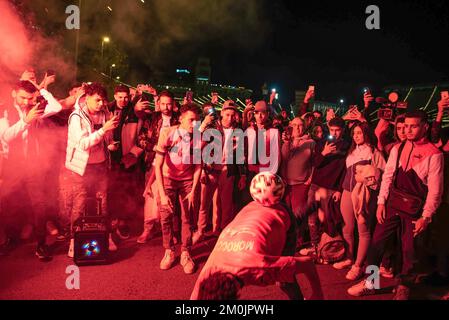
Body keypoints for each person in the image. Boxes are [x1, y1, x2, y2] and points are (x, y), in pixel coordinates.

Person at [348, 110, 444, 300]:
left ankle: (404, 287)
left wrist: (426, 216)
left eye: (413, 126)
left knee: (409, 251)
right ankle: (371, 283)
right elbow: (388, 177)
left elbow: (435, 191)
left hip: (414, 211)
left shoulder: (434, 154)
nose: (407, 130)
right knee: (376, 245)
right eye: (405, 126)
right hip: (392, 205)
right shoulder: (397, 149)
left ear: (425, 126)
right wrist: (382, 202)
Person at [190, 172, 323, 300]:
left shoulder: (260, 269)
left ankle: (315, 202)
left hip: (278, 215)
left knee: (284, 281)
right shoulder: (208, 273)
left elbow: (307, 263)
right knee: (294, 220)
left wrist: (318, 294)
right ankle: (314, 203)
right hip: (254, 207)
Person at [0, 78, 62, 261]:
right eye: (22, 98)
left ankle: (41, 244)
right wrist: (25, 121)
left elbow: (57, 107)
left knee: (40, 206)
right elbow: (6, 137)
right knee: (9, 206)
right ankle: (9, 240)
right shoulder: (5, 112)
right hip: (13, 167)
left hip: (34, 166)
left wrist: (39, 89)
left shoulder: (36, 110)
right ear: (14, 94)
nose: (26, 102)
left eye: (29, 98)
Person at [64, 82, 119, 257]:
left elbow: (107, 137)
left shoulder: (105, 113)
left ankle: (106, 236)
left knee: (103, 202)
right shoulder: (76, 117)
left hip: (101, 164)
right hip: (81, 167)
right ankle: (73, 240)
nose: (101, 104)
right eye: (97, 100)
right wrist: (103, 130)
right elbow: (83, 143)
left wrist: (110, 144)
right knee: (79, 204)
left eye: (103, 100)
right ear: (87, 98)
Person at [154, 102, 202, 274]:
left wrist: (194, 188)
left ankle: (185, 252)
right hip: (168, 178)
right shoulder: (168, 133)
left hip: (188, 180)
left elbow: (198, 166)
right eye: (191, 120)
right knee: (165, 215)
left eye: (197, 120)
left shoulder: (198, 137)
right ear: (181, 119)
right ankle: (169, 250)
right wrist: (162, 192)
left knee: (187, 217)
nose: (194, 124)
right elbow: (157, 165)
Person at [338, 122, 386, 280]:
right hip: (347, 191)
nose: (356, 136)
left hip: (363, 196)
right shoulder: (351, 152)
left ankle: (358, 266)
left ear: (366, 133)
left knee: (363, 231)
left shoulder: (374, 152)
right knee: (347, 228)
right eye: (354, 133)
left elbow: (382, 176)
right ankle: (349, 258)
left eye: (359, 133)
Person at [300, 117, 350, 255]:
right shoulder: (322, 142)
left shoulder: (347, 146)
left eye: (337, 130)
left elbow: (345, 170)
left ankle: (326, 248)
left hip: (331, 188)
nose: (334, 133)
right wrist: (324, 153)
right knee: (312, 219)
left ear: (343, 130)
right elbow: (315, 163)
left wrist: (339, 189)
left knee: (328, 221)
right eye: (332, 130)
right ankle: (315, 246)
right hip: (316, 185)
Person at [137, 90, 180, 243]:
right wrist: (156, 147)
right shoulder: (152, 118)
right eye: (163, 103)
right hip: (152, 160)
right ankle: (147, 229)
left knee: (169, 196)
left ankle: (169, 231)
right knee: (150, 195)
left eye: (169, 103)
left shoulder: (179, 120)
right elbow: (140, 139)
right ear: (158, 104)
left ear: (173, 103)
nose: (166, 107)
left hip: (173, 163)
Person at [280, 117, 315, 246]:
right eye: (294, 125)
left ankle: (298, 241)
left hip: (301, 183)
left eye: (300, 125)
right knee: (286, 213)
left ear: (304, 126)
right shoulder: (286, 142)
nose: (297, 128)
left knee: (298, 214)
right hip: (286, 183)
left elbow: (314, 163)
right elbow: (284, 161)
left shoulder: (310, 143)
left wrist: (311, 178)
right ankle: (287, 240)